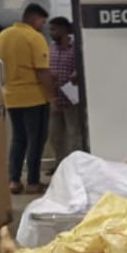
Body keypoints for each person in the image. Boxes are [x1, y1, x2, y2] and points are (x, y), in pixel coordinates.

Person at [0, 3, 54, 195]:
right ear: (34, 18)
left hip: (11, 97)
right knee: (35, 140)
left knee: (18, 139)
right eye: (42, 22)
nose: (42, 26)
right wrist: (52, 97)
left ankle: (13, 180)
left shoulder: (3, 36)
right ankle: (33, 182)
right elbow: (42, 71)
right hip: (34, 98)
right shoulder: (34, 37)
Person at [45, 16, 82, 174]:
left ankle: (76, 167)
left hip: (72, 98)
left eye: (54, 29)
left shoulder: (76, 49)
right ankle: (60, 166)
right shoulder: (50, 49)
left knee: (74, 134)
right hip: (54, 98)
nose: (51, 32)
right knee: (55, 136)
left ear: (64, 30)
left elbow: (85, 67)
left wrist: (78, 73)